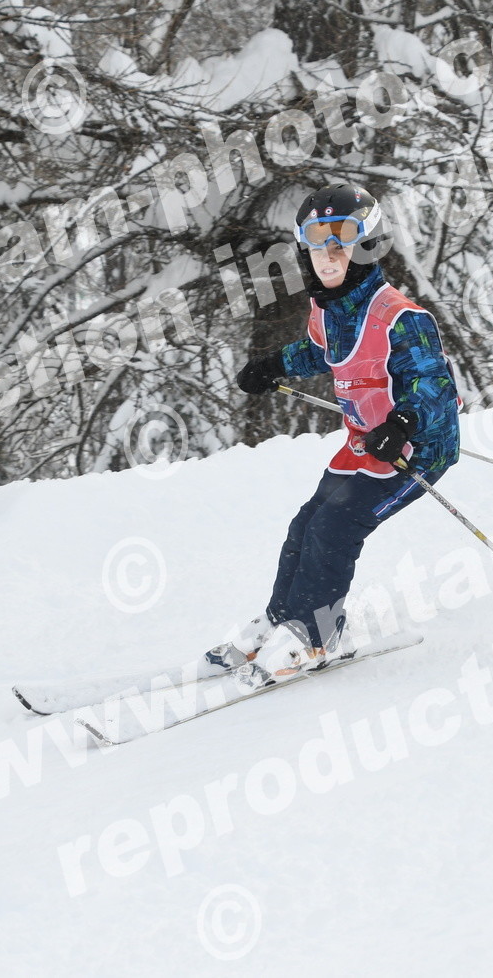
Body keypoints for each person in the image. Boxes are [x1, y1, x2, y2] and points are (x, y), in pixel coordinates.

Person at [206, 182, 461, 683]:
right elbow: (321, 351)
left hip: (416, 450)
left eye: (340, 240)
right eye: (316, 241)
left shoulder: (401, 318)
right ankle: (281, 621)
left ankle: (316, 633)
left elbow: (434, 389)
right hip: (365, 445)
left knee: (336, 526)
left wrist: (402, 423)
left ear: (366, 244)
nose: (326, 254)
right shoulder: (330, 309)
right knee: (306, 524)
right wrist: (273, 364)